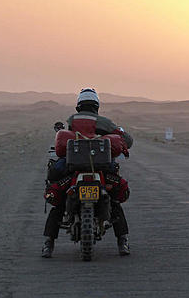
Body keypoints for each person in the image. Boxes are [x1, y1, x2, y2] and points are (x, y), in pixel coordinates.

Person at [42, 88, 133, 258]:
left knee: (59, 205)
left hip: (75, 169)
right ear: (96, 105)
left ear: (78, 105)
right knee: (114, 203)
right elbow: (127, 140)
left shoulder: (72, 120)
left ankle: (48, 243)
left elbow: (64, 146)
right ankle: (123, 241)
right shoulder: (104, 122)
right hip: (101, 169)